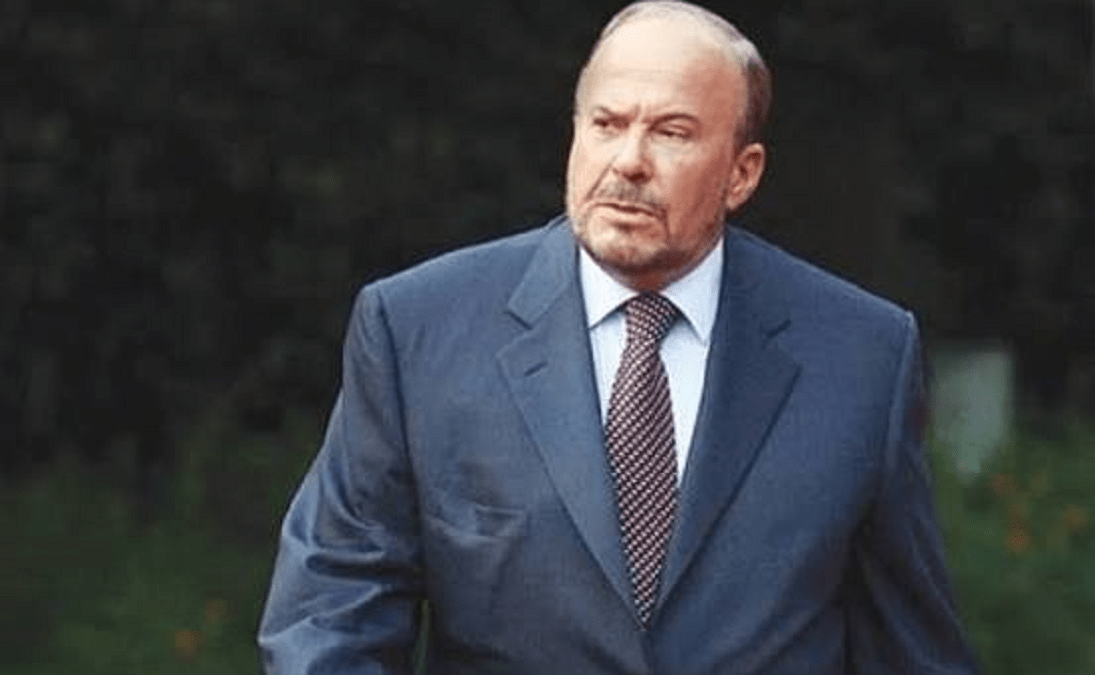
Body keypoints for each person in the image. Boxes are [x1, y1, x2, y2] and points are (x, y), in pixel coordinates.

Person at [258, 2, 979, 673]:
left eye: (672, 132)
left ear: (741, 174)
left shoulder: (860, 355)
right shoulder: (420, 329)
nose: (629, 159)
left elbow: (910, 650)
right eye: (606, 124)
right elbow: (329, 616)